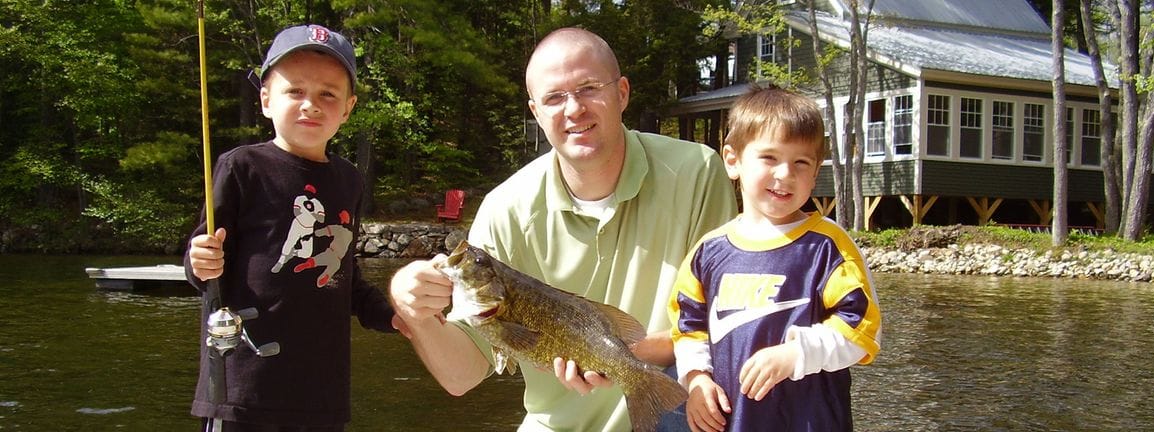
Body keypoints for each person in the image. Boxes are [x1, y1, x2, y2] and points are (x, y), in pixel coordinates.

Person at [387, 27, 737, 431]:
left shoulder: (696, 172)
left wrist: (616, 354)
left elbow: (725, 319)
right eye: (554, 97)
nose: (574, 109)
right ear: (536, 112)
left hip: (674, 414)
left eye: (589, 88)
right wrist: (416, 312)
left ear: (622, 93)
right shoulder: (506, 209)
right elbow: (461, 376)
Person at [184, 24, 398, 432]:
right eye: (294, 91)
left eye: (327, 94)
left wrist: (392, 316)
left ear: (348, 108)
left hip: (322, 396)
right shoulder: (241, 166)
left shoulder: (349, 179)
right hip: (243, 392)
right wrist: (200, 261)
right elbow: (200, 265)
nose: (311, 105)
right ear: (266, 100)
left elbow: (343, 277)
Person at [668, 86, 882, 432]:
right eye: (769, 158)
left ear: (815, 173)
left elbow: (862, 330)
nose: (785, 174)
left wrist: (796, 355)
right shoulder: (708, 252)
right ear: (732, 160)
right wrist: (696, 380)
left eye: (801, 162)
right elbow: (688, 329)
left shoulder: (827, 247)